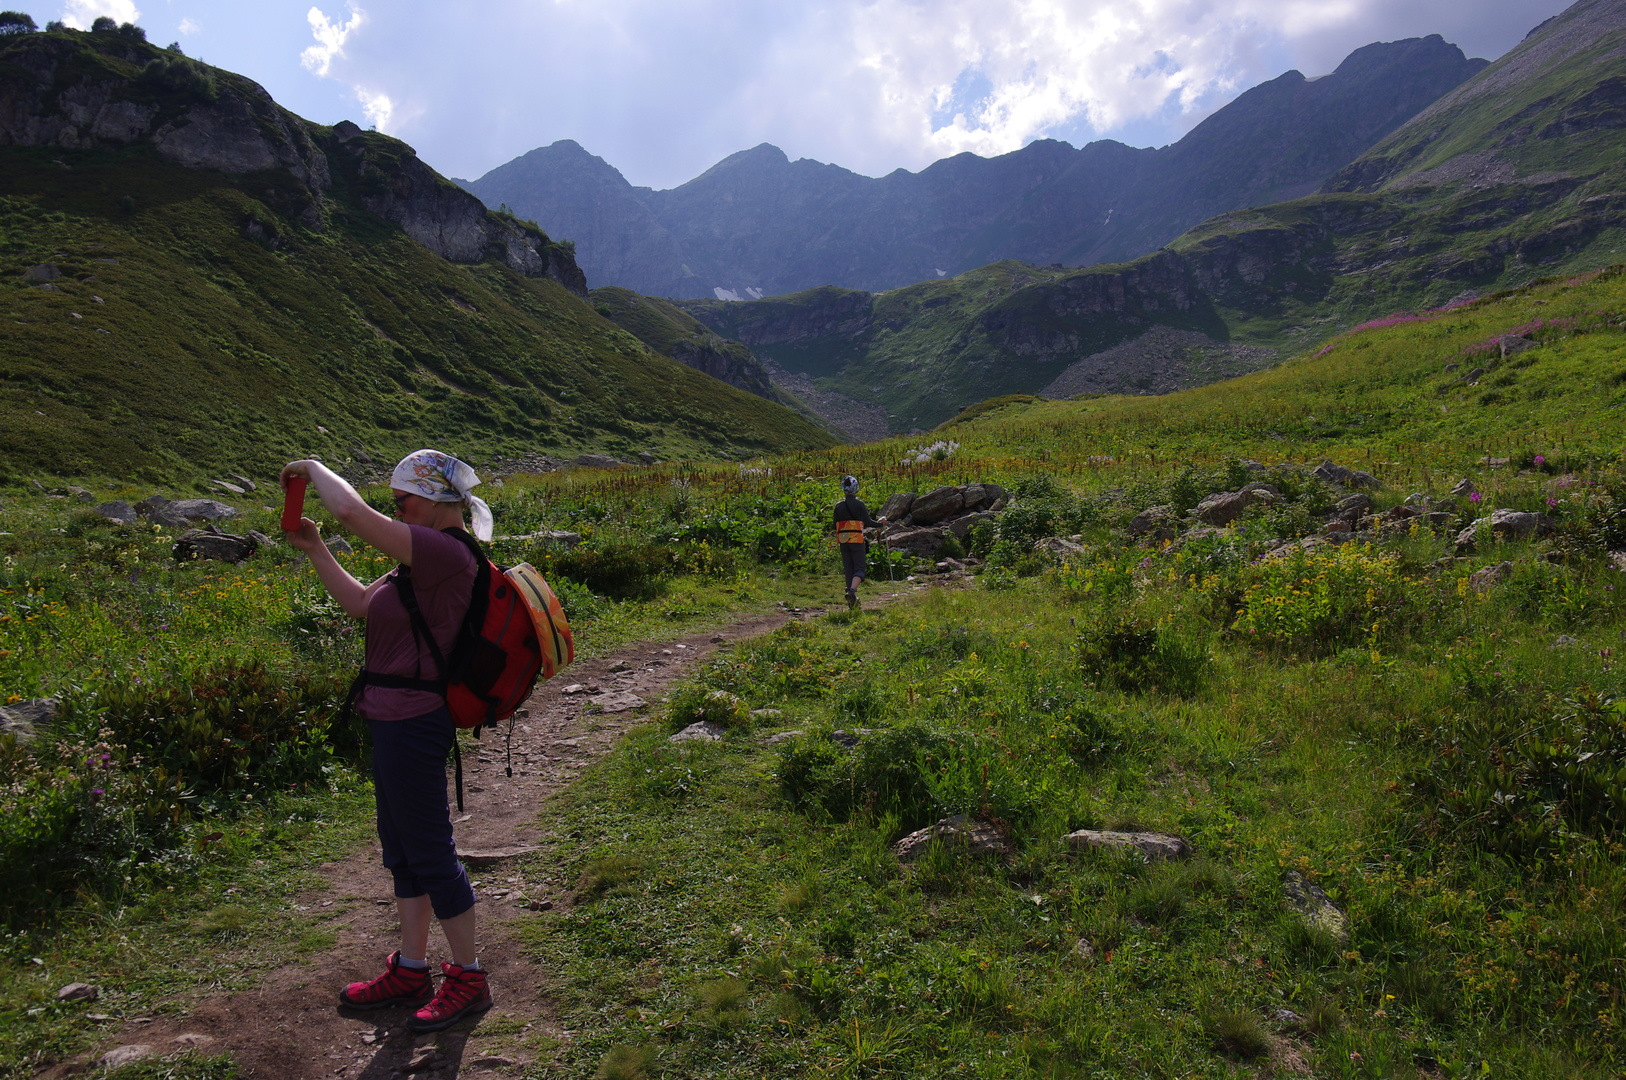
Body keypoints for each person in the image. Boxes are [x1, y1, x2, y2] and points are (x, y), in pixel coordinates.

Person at [279, 449, 496, 1033]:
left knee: (429, 849)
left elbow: (350, 509)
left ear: (432, 500)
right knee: (400, 848)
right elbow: (359, 604)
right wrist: (316, 548)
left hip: (415, 720)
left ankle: (469, 976)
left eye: (402, 502)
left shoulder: (445, 552)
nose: (395, 512)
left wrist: (311, 466)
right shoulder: (415, 562)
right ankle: (412, 967)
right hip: (391, 717)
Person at [833, 474, 885, 609]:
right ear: (856, 488)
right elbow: (868, 522)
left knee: (848, 569)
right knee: (860, 569)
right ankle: (852, 591)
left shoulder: (838, 506)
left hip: (843, 540)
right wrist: (881, 524)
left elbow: (835, 524)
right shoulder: (859, 504)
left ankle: (852, 600)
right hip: (857, 539)